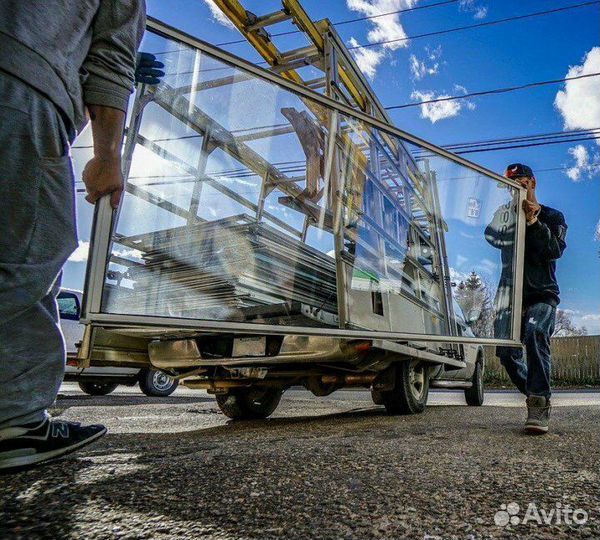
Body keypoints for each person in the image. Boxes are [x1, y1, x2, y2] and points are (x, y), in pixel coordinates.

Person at [0, 1, 146, 471]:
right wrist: (107, 154)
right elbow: (111, 59)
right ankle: (13, 422)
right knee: (26, 254)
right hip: (22, 81)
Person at [495, 163, 567, 434]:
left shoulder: (552, 215)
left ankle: (538, 404)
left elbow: (553, 250)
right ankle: (537, 392)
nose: (516, 188)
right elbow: (491, 236)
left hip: (542, 293)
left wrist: (533, 221)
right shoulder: (504, 214)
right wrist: (511, 217)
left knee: (536, 332)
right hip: (509, 296)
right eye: (510, 184)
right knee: (506, 353)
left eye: (521, 183)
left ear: (532, 183)